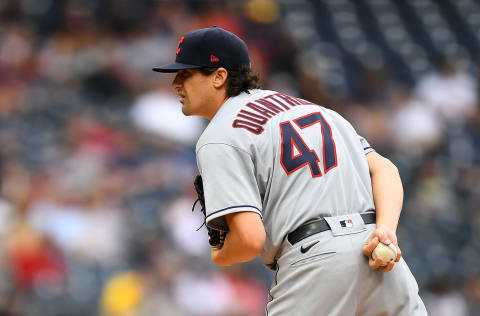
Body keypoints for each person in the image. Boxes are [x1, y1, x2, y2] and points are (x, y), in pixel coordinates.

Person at [153, 26, 427, 316]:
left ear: (219, 76)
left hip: (316, 264)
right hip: (380, 257)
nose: (176, 83)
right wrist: (385, 229)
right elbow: (385, 169)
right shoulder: (315, 110)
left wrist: (221, 253)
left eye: (186, 73)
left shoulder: (218, 135)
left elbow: (249, 240)